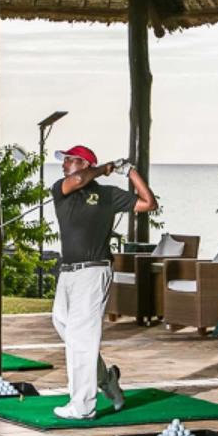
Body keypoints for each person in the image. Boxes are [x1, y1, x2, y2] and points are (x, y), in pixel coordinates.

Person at [51, 145, 157, 419]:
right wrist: (104, 168)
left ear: (84, 162)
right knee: (65, 326)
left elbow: (148, 203)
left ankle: (82, 406)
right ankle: (107, 381)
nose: (64, 165)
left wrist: (129, 171)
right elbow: (76, 181)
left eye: (69, 160)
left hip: (94, 270)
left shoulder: (107, 195)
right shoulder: (61, 189)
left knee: (82, 338)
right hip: (67, 272)